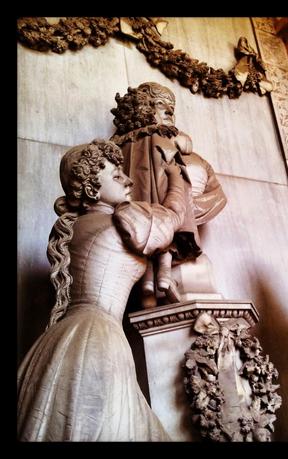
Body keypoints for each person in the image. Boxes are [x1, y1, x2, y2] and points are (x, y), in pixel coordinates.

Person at [17, 139, 188, 441]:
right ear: (92, 188)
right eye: (116, 174)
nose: (128, 179)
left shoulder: (73, 228)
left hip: (60, 340)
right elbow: (173, 217)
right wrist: (175, 176)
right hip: (98, 340)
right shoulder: (123, 220)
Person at [110, 82, 227, 307]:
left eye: (172, 107)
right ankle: (156, 275)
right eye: (161, 104)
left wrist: (190, 206)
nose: (169, 111)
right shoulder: (143, 146)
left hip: (162, 231)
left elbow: (217, 194)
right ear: (143, 108)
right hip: (161, 224)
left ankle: (153, 277)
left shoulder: (194, 158)